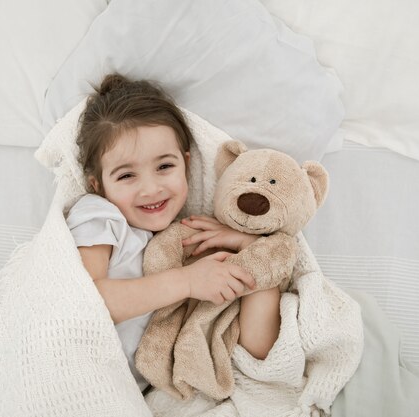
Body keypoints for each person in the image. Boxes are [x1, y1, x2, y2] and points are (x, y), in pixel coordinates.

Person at [66, 73, 281, 391]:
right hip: (74, 372)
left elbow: (258, 349)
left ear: (186, 164)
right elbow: (82, 303)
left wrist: (256, 251)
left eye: (164, 167)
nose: (150, 189)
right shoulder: (100, 215)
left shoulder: (189, 240)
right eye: (126, 175)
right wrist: (187, 282)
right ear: (98, 185)